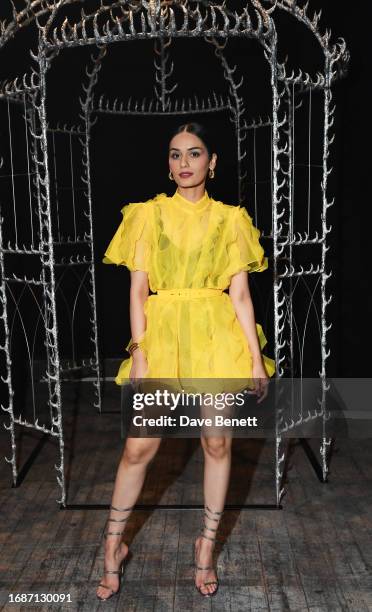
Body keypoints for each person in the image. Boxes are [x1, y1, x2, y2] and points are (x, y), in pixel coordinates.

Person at [96, 122, 276, 600]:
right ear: (168, 164)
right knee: (139, 447)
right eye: (175, 155)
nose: (184, 164)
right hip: (164, 337)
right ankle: (112, 546)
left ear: (211, 163)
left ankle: (205, 547)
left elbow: (240, 295)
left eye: (194, 154)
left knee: (217, 444)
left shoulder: (232, 220)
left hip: (217, 338)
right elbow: (137, 290)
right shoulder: (147, 215)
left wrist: (255, 361)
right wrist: (139, 352)